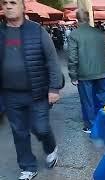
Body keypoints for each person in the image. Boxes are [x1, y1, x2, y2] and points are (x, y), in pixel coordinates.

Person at [0, 0, 64, 179]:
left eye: (13, 2)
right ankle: (28, 167)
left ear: (22, 7)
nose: (9, 6)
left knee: (41, 128)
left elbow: (52, 60)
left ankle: (50, 147)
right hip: (10, 94)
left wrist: (54, 88)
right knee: (19, 132)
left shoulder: (37, 30)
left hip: (37, 92)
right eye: (5, 3)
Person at [68, 9, 105, 134]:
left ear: (76, 19)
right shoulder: (100, 33)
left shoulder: (74, 35)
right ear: (88, 18)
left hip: (84, 73)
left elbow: (72, 57)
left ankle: (91, 126)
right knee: (103, 99)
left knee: (87, 101)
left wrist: (73, 75)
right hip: (102, 71)